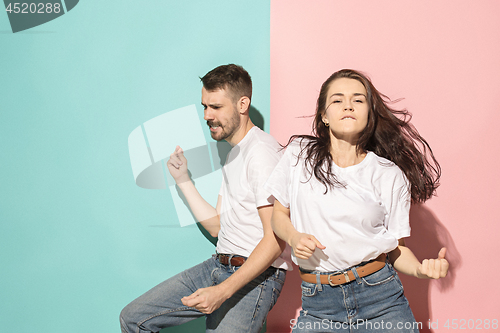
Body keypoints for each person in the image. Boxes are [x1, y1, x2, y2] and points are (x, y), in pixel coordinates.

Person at [265, 69, 448, 332]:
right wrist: (294, 238)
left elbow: (396, 249)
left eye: (358, 100)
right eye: (337, 100)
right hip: (319, 307)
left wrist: (421, 270)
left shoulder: (388, 174)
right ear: (324, 116)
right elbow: (278, 216)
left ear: (369, 115)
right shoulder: (299, 156)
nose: (348, 105)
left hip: (381, 301)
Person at [120, 64, 290, 333]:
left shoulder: (261, 155)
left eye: (216, 107)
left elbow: (275, 240)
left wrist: (222, 292)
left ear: (242, 104)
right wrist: (183, 180)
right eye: (204, 106)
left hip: (254, 278)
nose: (207, 115)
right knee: (133, 318)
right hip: (218, 265)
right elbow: (217, 227)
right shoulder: (235, 152)